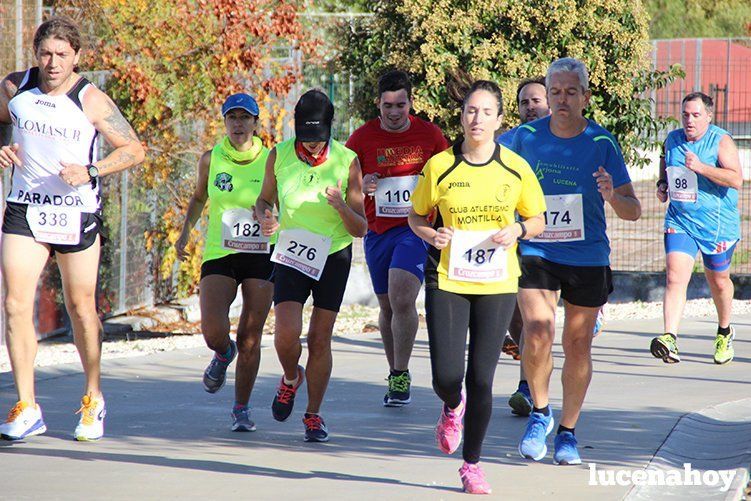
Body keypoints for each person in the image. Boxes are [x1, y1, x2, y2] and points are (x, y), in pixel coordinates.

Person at [0, 17, 144, 441]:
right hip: (25, 208)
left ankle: (93, 397)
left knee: (81, 307)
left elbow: (134, 149)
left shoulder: (91, 99)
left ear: (77, 57)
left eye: (62, 54)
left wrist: (92, 170)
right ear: (35, 54)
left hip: (75, 212)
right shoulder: (14, 88)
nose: (53, 62)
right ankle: (27, 405)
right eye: (46, 53)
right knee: (14, 304)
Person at [409, 79, 546, 494]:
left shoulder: (515, 167)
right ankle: (452, 406)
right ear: (461, 115)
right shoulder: (440, 166)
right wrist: (431, 236)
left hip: (497, 282)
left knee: (482, 379)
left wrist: (518, 229)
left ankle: (472, 464)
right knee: (447, 376)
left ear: (500, 120)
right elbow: (416, 218)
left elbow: (537, 219)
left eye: (487, 112)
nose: (477, 119)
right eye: (471, 111)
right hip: (447, 279)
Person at [512, 57, 641, 466]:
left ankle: (567, 431)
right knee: (536, 330)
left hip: (586, 255)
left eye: (571, 92)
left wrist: (611, 195)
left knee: (577, 344)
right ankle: (539, 413)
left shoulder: (602, 143)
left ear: (585, 96)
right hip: (536, 250)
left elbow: (633, 210)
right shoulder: (522, 138)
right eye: (555, 92)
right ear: (546, 96)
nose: (562, 99)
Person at [255, 89, 366, 442]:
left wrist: (341, 207)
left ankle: (313, 416)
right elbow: (263, 200)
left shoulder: (348, 161)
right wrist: (265, 216)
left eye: (318, 139)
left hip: (334, 253)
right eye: (306, 138)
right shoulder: (280, 155)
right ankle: (290, 377)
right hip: (292, 250)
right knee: (285, 333)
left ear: (330, 130)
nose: (313, 146)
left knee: (320, 339)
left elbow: (360, 227)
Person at [345, 70, 448, 407]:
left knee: (402, 297)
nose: (393, 112)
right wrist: (364, 185)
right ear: (378, 104)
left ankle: (402, 372)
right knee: (388, 305)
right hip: (378, 232)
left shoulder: (430, 135)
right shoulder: (361, 138)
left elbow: (448, 176)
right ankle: (395, 371)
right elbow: (348, 184)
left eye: (400, 105)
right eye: (387, 105)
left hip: (414, 229)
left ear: (410, 103)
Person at [175, 93, 273, 432]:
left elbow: (285, 201)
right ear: (224, 122)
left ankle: (241, 408)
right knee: (213, 331)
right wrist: (185, 232)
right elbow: (200, 196)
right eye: (232, 117)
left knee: (250, 336)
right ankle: (221, 352)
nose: (238, 124)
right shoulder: (210, 158)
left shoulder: (271, 160)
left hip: (261, 253)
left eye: (245, 118)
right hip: (221, 251)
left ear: (256, 123)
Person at [652, 92, 742, 365]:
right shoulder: (673, 139)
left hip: (716, 225)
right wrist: (662, 184)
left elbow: (736, 179)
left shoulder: (720, 141)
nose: (689, 120)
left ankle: (724, 330)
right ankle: (669, 338)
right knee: (674, 277)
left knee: (718, 282)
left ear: (709, 116)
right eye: (685, 115)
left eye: (695, 115)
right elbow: (664, 161)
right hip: (680, 220)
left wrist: (701, 167)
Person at [496, 76, 551, 417]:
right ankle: (528, 380)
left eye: (536, 100)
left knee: (536, 320)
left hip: (555, 241)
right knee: (518, 318)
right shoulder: (505, 142)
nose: (530, 107)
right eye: (523, 102)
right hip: (512, 236)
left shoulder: (566, 138)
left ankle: (527, 387)